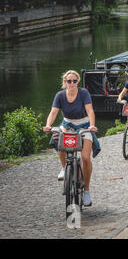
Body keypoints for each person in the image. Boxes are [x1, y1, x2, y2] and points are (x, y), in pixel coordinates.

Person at [43, 70, 99, 207]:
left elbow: (90, 110)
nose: (72, 83)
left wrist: (92, 125)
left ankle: (86, 191)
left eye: (74, 81)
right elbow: (54, 112)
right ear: (65, 82)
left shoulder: (84, 94)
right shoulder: (60, 95)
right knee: (60, 139)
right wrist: (48, 125)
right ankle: (64, 168)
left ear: (78, 82)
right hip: (67, 124)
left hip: (84, 125)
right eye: (69, 81)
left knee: (85, 158)